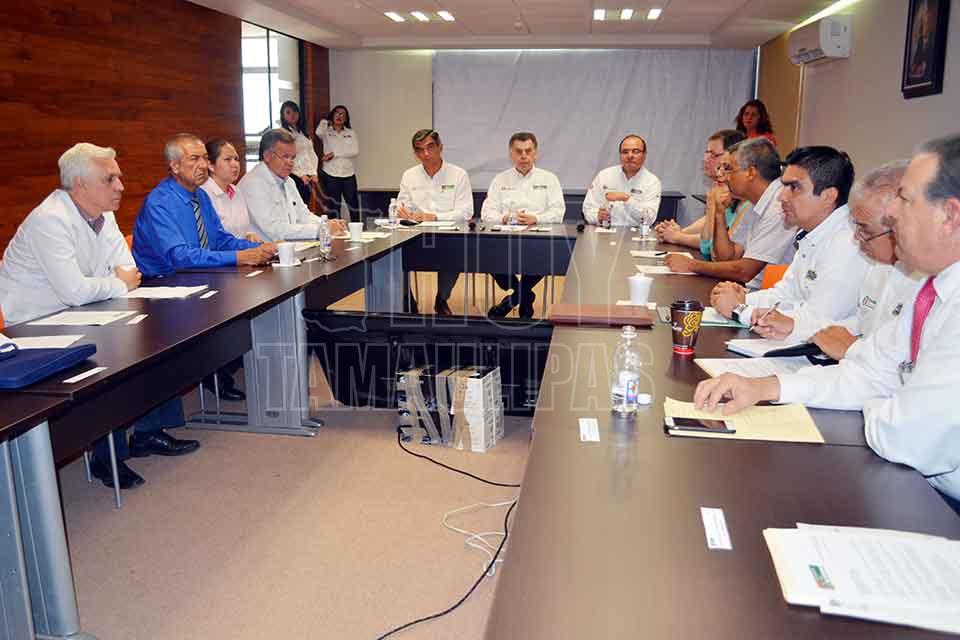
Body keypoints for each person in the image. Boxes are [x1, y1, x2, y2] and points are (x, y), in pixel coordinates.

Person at [694, 133, 960, 515]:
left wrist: (887, 397)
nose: (893, 214)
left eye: (905, 199)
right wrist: (763, 387)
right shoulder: (932, 286)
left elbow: (906, 437)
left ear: (949, 215)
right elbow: (867, 372)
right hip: (915, 480)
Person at [0, 142, 198, 490]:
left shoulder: (103, 214)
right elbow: (75, 291)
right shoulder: (50, 219)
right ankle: (108, 457)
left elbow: (129, 270)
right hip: (36, 325)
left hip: (82, 312)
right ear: (80, 185)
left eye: (119, 177)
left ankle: (148, 432)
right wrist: (115, 282)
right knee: (110, 356)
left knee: (156, 338)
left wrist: (112, 282)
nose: (120, 186)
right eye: (110, 179)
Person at [134, 133, 278, 402]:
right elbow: (179, 257)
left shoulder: (200, 195)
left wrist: (257, 249)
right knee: (233, 307)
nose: (203, 165)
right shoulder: (160, 202)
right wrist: (239, 257)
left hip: (199, 276)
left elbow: (220, 239)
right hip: (164, 287)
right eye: (194, 159)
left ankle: (223, 366)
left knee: (254, 299)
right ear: (175, 166)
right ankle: (213, 369)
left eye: (204, 158)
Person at [710, 146, 871, 342]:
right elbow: (786, 294)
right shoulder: (813, 234)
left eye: (794, 187)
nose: (781, 196)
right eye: (783, 186)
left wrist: (740, 310)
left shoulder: (849, 243)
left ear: (828, 196)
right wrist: (741, 299)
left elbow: (818, 324)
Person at [809, 161, 925, 359]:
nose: (856, 237)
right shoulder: (879, 267)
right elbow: (867, 324)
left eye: (865, 229)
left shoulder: (931, 282)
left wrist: (852, 349)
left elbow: (906, 364)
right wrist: (824, 334)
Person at [666, 138, 797, 288]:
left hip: (764, 294)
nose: (724, 176)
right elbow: (726, 258)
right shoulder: (754, 203)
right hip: (750, 289)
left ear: (750, 172)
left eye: (729, 169)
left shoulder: (779, 207)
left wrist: (692, 265)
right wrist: (719, 213)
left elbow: (745, 271)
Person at [481, 132, 565, 319]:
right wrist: (504, 218)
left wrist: (536, 218)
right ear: (511, 154)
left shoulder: (549, 179)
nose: (524, 156)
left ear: (535, 153)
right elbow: (486, 213)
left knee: (542, 258)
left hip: (539, 240)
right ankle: (524, 295)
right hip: (505, 240)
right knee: (487, 254)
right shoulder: (500, 180)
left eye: (528, 151)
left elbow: (558, 212)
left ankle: (514, 299)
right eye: (519, 151)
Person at [396, 129, 473, 316]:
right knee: (393, 253)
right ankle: (407, 299)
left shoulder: (458, 174)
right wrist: (402, 211)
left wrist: (435, 217)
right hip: (415, 234)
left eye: (430, 147)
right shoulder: (409, 175)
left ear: (440, 147)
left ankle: (441, 299)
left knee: (455, 253)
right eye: (420, 150)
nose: (426, 154)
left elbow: (466, 212)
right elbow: (401, 204)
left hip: (447, 234)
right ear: (415, 153)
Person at [238, 128, 347, 241]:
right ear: (267, 156)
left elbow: (303, 215)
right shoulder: (253, 184)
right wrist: (322, 229)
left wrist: (327, 223)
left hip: (287, 247)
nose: (290, 163)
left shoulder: (289, 181)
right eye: (285, 157)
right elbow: (275, 230)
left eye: (293, 158)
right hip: (264, 249)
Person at [656, 129, 748, 259]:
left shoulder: (744, 201)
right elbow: (707, 240)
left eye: (713, 154)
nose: (706, 159)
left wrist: (677, 236)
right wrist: (677, 232)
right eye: (707, 152)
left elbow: (711, 247)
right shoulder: (720, 190)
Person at [582, 135, 661, 227]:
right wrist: (597, 216)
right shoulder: (604, 176)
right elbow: (588, 209)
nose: (630, 156)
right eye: (625, 152)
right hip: (604, 231)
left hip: (636, 232)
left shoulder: (652, 182)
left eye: (636, 151)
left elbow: (649, 218)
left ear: (644, 155)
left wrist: (626, 199)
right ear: (620, 155)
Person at [200, 139, 262, 242]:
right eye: (227, 159)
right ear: (210, 165)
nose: (235, 164)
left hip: (243, 250)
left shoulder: (236, 191)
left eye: (236, 159)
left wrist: (249, 235)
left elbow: (243, 229)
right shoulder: (203, 193)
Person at [316, 105, 360, 221]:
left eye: (342, 114)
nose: (339, 116)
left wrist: (334, 154)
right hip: (330, 173)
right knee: (334, 206)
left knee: (353, 205)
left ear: (346, 118)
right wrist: (326, 120)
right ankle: (336, 229)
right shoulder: (326, 132)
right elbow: (318, 132)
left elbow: (355, 151)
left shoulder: (350, 133)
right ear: (332, 115)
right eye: (337, 113)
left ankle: (357, 227)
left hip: (348, 173)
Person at [278, 100, 320, 206]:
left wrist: (313, 172)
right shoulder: (283, 133)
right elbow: (287, 157)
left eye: (295, 111)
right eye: (288, 112)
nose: (292, 115)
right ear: (283, 115)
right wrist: (300, 175)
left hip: (307, 176)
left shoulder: (303, 133)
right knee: (294, 206)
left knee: (304, 206)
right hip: (293, 175)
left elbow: (311, 154)